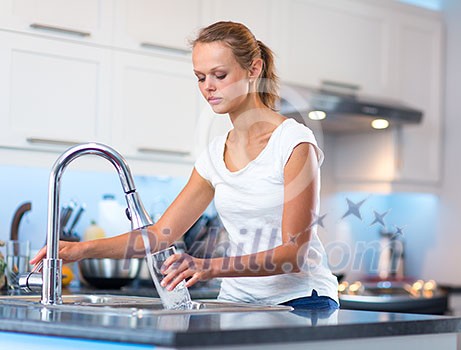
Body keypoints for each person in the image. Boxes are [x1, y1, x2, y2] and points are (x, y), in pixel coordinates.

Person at [31, 21, 339, 310]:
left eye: (220, 75)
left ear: (253, 69)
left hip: (301, 301)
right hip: (236, 300)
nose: (208, 87)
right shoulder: (214, 154)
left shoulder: (293, 143)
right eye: (200, 77)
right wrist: (79, 250)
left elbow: (293, 254)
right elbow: (159, 236)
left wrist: (208, 267)